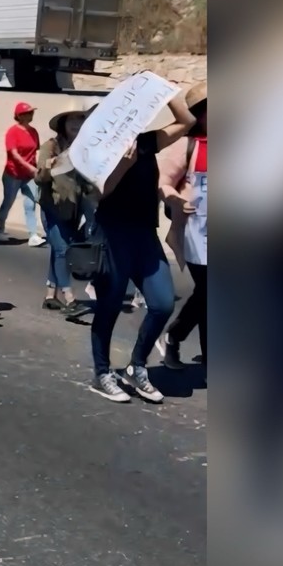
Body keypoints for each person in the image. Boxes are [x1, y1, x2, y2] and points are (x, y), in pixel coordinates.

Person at [87, 86, 197, 403]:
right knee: (109, 306)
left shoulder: (145, 141)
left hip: (144, 233)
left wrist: (164, 90)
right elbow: (100, 193)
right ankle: (102, 372)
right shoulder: (94, 152)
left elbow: (186, 121)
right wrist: (123, 163)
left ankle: (137, 367)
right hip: (113, 234)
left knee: (162, 303)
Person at [158, 83, 207, 368]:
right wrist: (177, 199)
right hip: (196, 231)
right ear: (200, 113)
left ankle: (174, 336)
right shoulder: (188, 145)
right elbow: (163, 183)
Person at [35, 105, 92, 318]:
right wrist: (49, 166)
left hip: (73, 208)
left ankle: (50, 296)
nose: (76, 124)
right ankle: (70, 299)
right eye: (71, 120)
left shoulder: (83, 148)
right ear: (63, 124)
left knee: (58, 250)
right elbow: (39, 179)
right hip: (52, 207)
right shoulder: (51, 146)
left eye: (80, 119)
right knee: (63, 250)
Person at [0, 101, 45, 246]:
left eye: (32, 112)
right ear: (20, 116)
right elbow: (14, 154)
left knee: (31, 203)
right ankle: (0, 229)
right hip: (13, 174)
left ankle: (33, 235)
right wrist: (28, 167)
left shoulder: (33, 131)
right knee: (8, 202)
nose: (31, 115)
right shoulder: (13, 132)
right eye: (29, 113)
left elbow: (34, 152)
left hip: (29, 175)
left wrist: (35, 169)